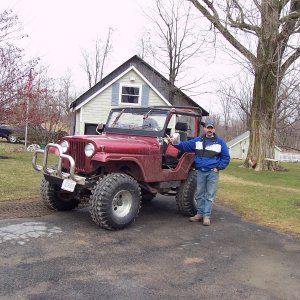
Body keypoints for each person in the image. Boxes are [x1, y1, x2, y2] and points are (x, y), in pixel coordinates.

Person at [168, 120, 230, 226]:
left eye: (211, 128)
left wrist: (218, 167)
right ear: (204, 129)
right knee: (200, 194)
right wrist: (174, 142)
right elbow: (185, 146)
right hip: (201, 172)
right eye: (207, 128)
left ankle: (206, 216)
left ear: (214, 129)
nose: (209, 130)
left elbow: (226, 157)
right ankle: (199, 214)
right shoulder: (198, 141)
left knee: (210, 195)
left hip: (212, 173)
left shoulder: (220, 142)